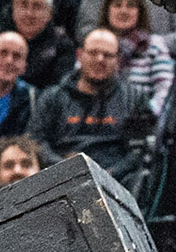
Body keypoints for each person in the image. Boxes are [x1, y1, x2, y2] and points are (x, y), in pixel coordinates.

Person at [29, 28, 155, 182]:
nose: (100, 59)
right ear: (79, 55)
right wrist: (65, 169)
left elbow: (139, 150)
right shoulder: (53, 97)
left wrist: (109, 174)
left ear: (118, 61)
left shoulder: (135, 98)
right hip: (61, 177)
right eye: (93, 53)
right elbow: (36, 142)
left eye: (108, 55)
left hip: (118, 181)